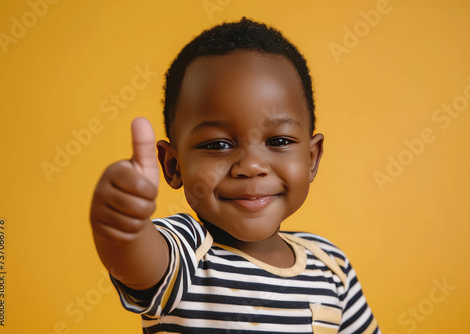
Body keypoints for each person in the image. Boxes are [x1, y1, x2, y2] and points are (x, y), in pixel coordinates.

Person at [90, 17, 381, 333]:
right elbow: (137, 262)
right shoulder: (187, 252)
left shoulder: (331, 268)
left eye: (278, 141)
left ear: (311, 158)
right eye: (218, 144)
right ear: (173, 166)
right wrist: (123, 227)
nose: (251, 166)